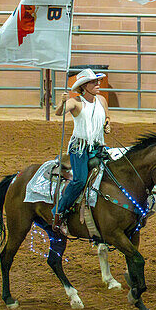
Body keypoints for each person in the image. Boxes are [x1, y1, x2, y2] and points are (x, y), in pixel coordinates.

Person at [52, 68, 110, 235]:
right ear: (84, 86)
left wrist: (107, 124)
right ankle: (59, 212)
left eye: (97, 81)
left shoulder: (101, 100)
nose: (98, 84)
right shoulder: (76, 102)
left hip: (98, 145)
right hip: (80, 147)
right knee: (79, 179)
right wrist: (63, 102)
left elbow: (107, 117)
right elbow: (59, 112)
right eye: (93, 82)